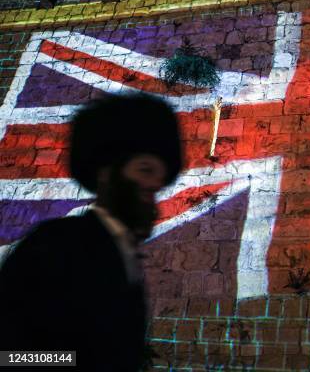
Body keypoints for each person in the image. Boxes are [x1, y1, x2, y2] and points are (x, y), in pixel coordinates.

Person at [0, 93, 182, 371]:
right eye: (145, 170)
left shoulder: (127, 260)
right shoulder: (54, 245)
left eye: (159, 179)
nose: (153, 189)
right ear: (107, 174)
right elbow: (9, 356)